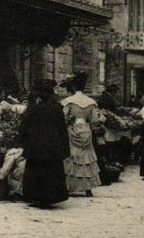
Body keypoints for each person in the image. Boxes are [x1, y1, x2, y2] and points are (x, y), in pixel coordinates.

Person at [20, 79, 69, 208]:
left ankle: (35, 196)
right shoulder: (57, 109)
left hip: (36, 146)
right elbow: (62, 130)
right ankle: (50, 197)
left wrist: (24, 142)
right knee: (51, 171)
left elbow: (24, 127)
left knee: (35, 170)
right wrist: (65, 147)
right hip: (53, 147)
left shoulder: (33, 109)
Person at [60, 72, 102, 197]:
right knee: (86, 157)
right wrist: (91, 126)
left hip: (72, 129)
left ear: (73, 87)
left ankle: (69, 186)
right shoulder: (91, 102)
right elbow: (94, 120)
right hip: (86, 129)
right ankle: (87, 188)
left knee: (71, 155)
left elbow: (63, 116)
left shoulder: (68, 101)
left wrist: (69, 122)